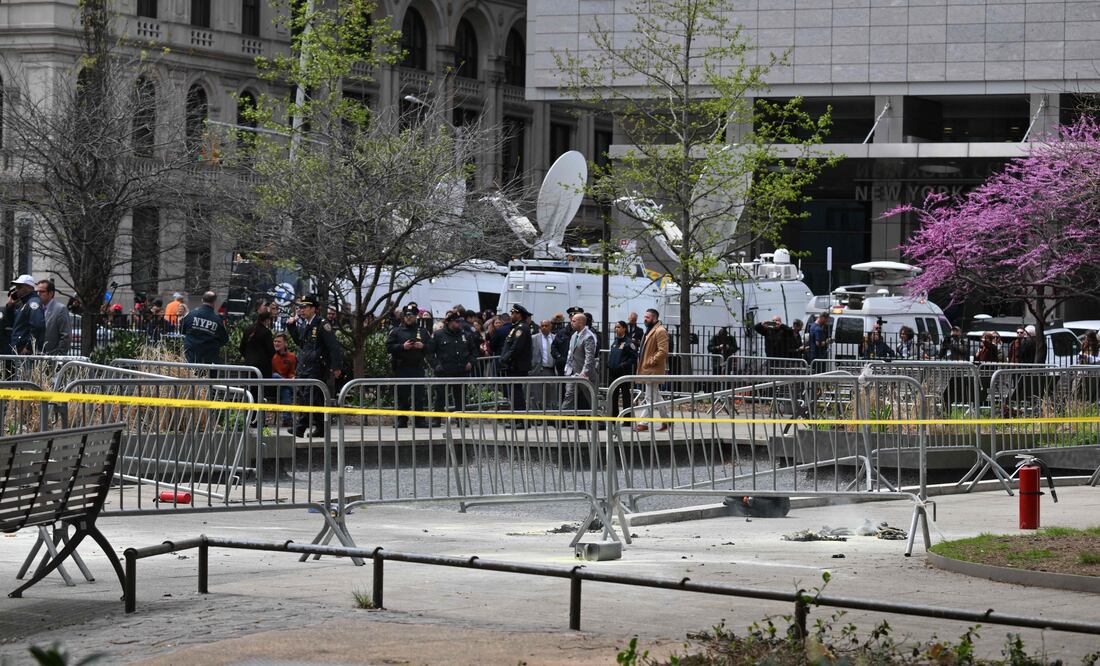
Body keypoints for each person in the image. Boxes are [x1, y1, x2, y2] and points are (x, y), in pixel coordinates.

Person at [287, 294, 343, 437]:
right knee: (314, 399)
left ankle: (300, 427)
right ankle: (321, 428)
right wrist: (291, 326)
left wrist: (336, 366)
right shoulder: (307, 324)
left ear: (314, 309)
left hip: (317, 367)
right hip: (305, 366)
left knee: (309, 397)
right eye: (301, 307)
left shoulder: (322, 324)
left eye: (305, 307)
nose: (302, 310)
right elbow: (301, 343)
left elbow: (333, 347)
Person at [386, 304, 429, 428]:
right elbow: (389, 347)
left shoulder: (422, 331)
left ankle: (419, 420)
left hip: (417, 367)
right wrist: (402, 347)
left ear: (416, 317)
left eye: (411, 315)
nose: (409, 318)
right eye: (407, 315)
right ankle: (401, 420)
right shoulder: (396, 331)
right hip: (402, 367)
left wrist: (423, 346)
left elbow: (431, 347)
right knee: (402, 395)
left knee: (419, 395)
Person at [430, 311, 475, 424]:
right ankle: (437, 419)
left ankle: (461, 419)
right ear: (450, 322)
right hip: (444, 372)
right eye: (456, 321)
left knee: (460, 397)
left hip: (461, 371)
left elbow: (474, 351)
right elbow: (429, 353)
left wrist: (471, 362)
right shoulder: (438, 335)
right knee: (440, 396)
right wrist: (436, 365)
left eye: (460, 321)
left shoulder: (465, 335)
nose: (459, 324)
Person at [634, 308, 669, 432]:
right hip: (649, 369)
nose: (644, 319)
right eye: (645, 316)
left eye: (647, 317)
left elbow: (663, 351)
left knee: (650, 397)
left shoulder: (660, 331)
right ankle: (667, 420)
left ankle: (644, 422)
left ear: (654, 318)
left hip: (653, 369)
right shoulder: (651, 330)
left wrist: (652, 360)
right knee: (656, 396)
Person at [499, 304, 533, 415]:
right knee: (514, 394)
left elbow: (516, 348)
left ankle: (520, 419)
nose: (511, 315)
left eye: (513, 313)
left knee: (516, 394)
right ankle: (517, 418)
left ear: (519, 314)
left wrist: (505, 359)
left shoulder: (521, 328)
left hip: (517, 366)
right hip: (513, 366)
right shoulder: (516, 327)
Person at [239, 309, 277, 410]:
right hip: (262, 368)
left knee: (250, 392)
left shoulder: (248, 330)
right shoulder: (266, 332)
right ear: (267, 320)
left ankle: (250, 417)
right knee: (260, 393)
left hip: (249, 366)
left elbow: (241, 347)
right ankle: (258, 419)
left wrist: (248, 357)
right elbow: (271, 350)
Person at [180, 291, 229, 364]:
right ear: (214, 302)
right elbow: (224, 339)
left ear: (202, 300)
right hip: (209, 361)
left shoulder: (191, 315)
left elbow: (182, 331)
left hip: (191, 358)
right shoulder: (218, 320)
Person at [563, 311, 598, 413]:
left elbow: (589, 357)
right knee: (568, 396)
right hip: (573, 373)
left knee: (591, 399)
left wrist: (584, 372)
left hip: (586, 375)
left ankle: (600, 421)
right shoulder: (574, 335)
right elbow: (570, 354)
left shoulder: (588, 337)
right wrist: (567, 370)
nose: (571, 323)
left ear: (581, 323)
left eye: (573, 321)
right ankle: (559, 421)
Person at [607, 321, 638, 419]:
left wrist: (624, 365)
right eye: (616, 327)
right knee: (613, 395)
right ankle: (613, 417)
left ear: (624, 328)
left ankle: (627, 418)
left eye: (619, 327)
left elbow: (633, 358)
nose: (616, 329)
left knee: (626, 396)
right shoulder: (615, 342)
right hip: (613, 373)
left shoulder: (629, 343)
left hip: (623, 373)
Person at [529, 318, 559, 412]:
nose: (544, 328)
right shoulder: (534, 338)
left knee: (550, 394)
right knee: (536, 394)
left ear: (551, 326)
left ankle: (549, 414)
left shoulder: (555, 338)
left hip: (551, 369)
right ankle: (537, 414)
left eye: (546, 325)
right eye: (542, 326)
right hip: (538, 369)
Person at [9, 275, 44, 355]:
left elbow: (37, 326)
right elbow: (14, 324)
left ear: (29, 287)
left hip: (25, 352)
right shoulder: (24, 303)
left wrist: (29, 347)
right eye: (16, 286)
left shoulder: (33, 302)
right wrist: (10, 307)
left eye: (20, 286)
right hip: (19, 349)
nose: (17, 289)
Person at [36, 279, 70, 355]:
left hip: (53, 357)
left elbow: (65, 336)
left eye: (42, 292)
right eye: (37, 292)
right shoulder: (37, 309)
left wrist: (59, 356)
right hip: (37, 357)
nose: (38, 294)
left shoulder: (60, 309)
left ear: (50, 293)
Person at [271, 332, 297, 427]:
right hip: (272, 385)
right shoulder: (271, 356)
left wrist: (291, 377)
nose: (276, 343)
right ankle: (294, 388)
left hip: (284, 386)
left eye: (279, 342)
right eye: (275, 341)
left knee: (285, 390)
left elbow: (292, 372)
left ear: (285, 343)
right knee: (275, 376)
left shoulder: (292, 356)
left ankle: (287, 419)